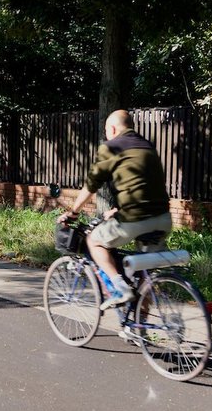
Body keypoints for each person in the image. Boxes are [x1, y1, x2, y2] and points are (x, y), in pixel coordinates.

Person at [57, 109, 172, 310]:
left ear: (112, 128)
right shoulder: (147, 146)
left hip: (135, 218)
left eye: (106, 131)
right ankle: (137, 330)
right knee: (145, 275)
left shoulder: (112, 147)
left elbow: (91, 184)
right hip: (163, 218)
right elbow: (141, 184)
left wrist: (73, 211)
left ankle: (119, 288)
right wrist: (117, 207)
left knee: (94, 241)